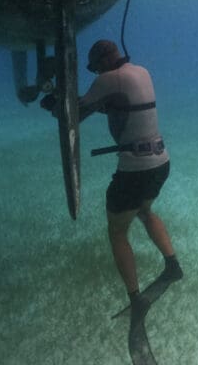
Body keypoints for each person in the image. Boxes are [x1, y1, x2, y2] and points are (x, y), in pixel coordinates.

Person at [44, 39, 182, 319]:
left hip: (135, 170)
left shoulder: (109, 79)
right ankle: (172, 265)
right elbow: (120, 103)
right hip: (160, 163)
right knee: (144, 211)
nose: (96, 74)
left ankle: (136, 300)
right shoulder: (141, 72)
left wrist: (49, 102)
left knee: (117, 231)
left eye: (95, 69)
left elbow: (73, 116)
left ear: (104, 61)